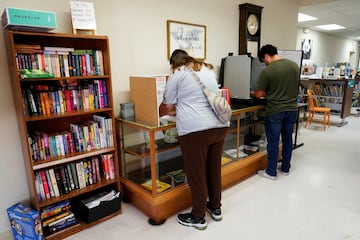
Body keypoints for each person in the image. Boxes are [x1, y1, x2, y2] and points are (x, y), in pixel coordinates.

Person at [161, 49, 229, 230]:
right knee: (213, 169)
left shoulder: (178, 73)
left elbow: (167, 106)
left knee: (196, 174)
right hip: (220, 126)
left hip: (196, 131)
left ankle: (198, 216)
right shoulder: (206, 69)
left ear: (172, 64)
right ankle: (215, 208)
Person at [253, 44, 299, 180]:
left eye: (263, 61)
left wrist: (257, 93)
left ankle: (271, 172)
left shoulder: (268, 71)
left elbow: (259, 94)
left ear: (266, 56)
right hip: (292, 109)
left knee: (273, 141)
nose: (264, 64)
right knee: (287, 139)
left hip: (275, 111)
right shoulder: (294, 66)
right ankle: (285, 168)